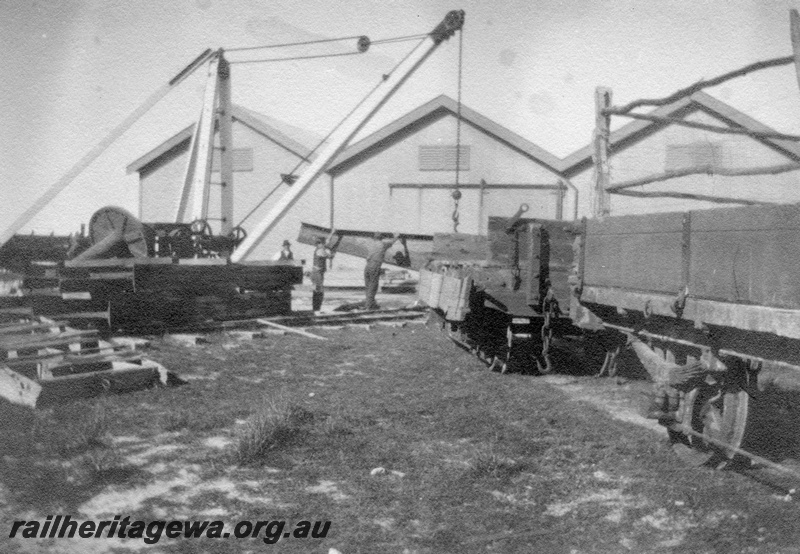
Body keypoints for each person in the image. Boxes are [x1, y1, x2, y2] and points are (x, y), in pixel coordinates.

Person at [364, 232, 400, 310]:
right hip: (375, 266)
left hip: (367, 266)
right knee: (373, 286)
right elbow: (392, 241)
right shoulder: (382, 245)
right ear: (382, 238)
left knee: (368, 286)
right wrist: (396, 236)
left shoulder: (370, 244)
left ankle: (370, 303)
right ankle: (369, 306)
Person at [310, 233, 335, 312]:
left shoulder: (319, 248)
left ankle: (316, 309)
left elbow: (327, 241)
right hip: (317, 273)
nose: (324, 244)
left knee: (317, 290)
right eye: (322, 243)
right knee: (319, 291)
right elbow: (330, 256)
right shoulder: (320, 251)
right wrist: (333, 253)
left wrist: (332, 233)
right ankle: (316, 309)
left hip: (317, 272)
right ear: (319, 244)